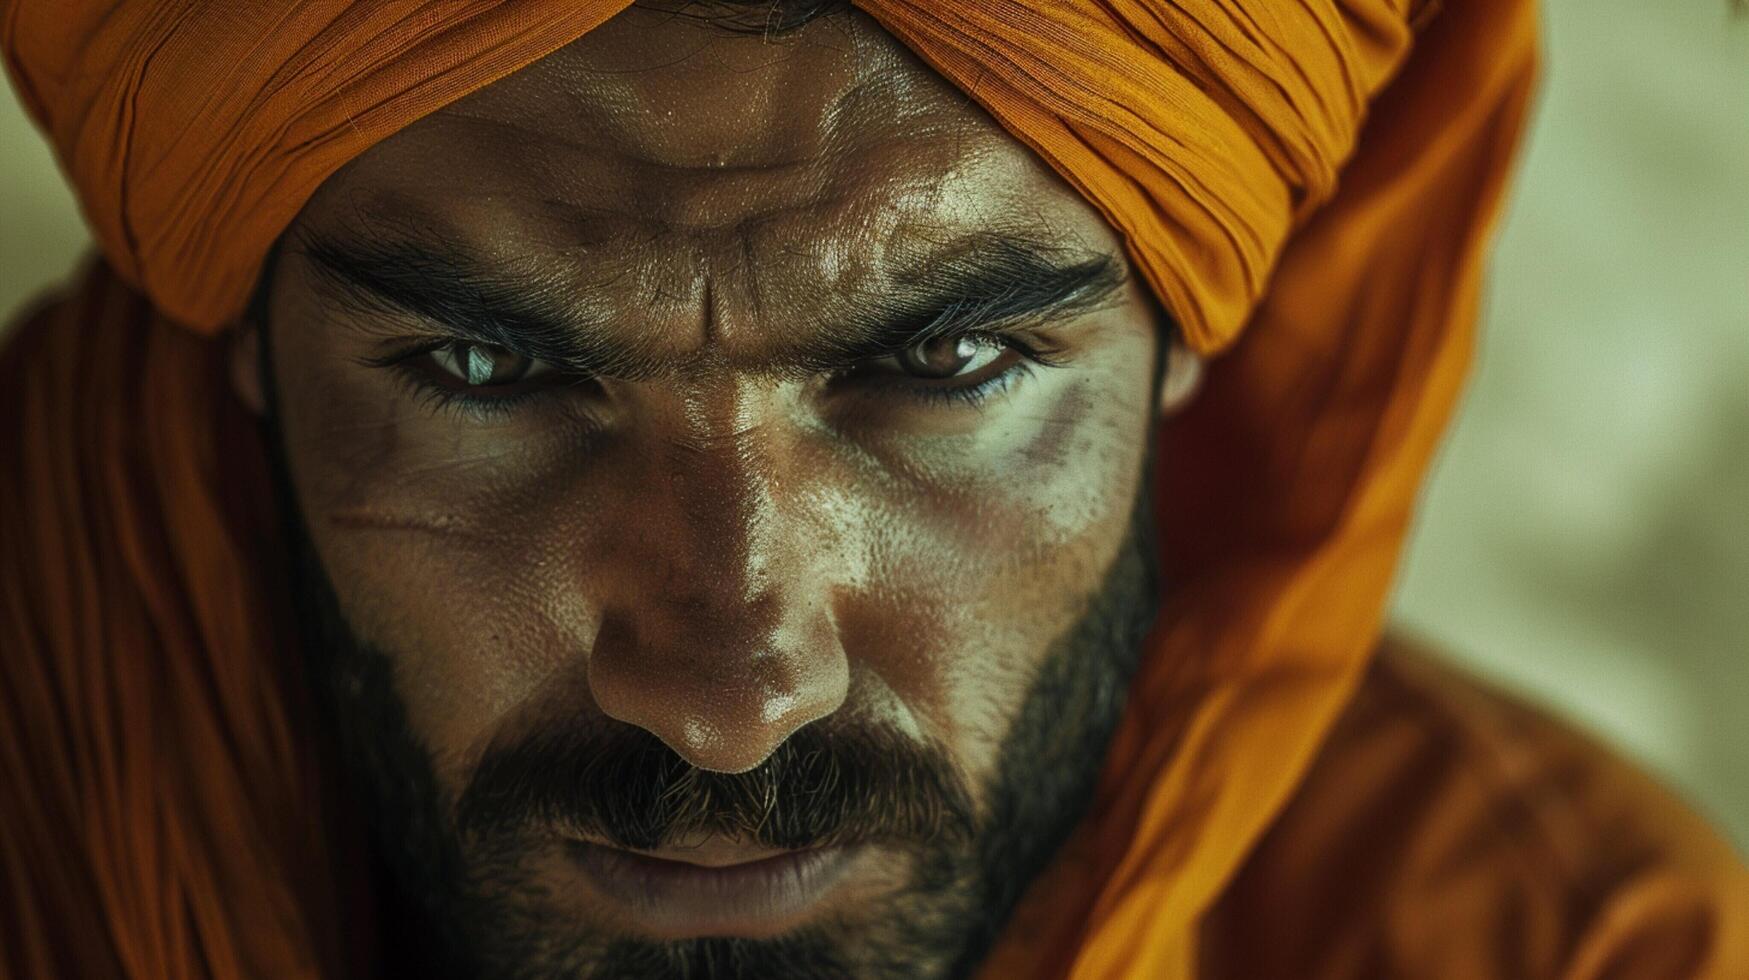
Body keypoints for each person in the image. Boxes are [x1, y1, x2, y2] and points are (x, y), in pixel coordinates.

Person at [1, 1, 1743, 978]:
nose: (732, 701)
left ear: (1193, 345)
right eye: (488, 373)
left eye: (947, 368)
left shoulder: (1565, 948)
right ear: (240, 342)